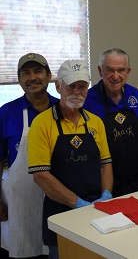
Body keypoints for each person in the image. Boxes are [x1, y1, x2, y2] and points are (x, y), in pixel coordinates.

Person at [27, 60, 113, 259]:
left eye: (82, 86)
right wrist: (77, 204)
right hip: (60, 216)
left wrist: (106, 194)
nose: (76, 91)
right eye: (71, 86)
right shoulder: (42, 124)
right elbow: (40, 175)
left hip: (96, 211)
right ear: (58, 86)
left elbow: (106, 163)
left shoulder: (95, 122)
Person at [0, 53, 58, 259]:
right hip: (22, 203)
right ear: (19, 79)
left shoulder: (63, 109)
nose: (32, 77)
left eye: (38, 71)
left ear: (49, 75)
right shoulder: (6, 113)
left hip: (58, 199)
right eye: (26, 73)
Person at [84, 48, 138, 195]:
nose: (116, 76)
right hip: (110, 184)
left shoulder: (134, 95)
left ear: (128, 71)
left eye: (121, 70)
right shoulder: (88, 100)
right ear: (100, 71)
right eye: (110, 70)